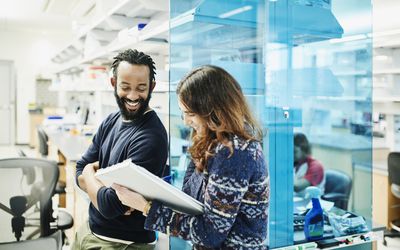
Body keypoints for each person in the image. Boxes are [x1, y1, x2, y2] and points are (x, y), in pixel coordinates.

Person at [113, 65, 269, 249]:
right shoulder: (211, 142)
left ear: (215, 111)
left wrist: (147, 208)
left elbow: (210, 233)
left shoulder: (235, 153)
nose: (186, 121)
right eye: (183, 112)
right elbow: (190, 200)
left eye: (191, 114)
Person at [73, 49, 168, 250]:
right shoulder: (111, 121)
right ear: (114, 84)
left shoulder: (150, 137)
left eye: (141, 88)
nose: (133, 96)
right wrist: (98, 188)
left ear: (152, 86)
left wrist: (91, 173)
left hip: (123, 243)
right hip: (90, 230)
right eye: (126, 87)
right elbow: (78, 171)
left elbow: (109, 206)